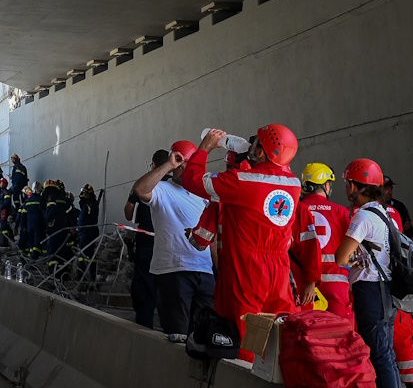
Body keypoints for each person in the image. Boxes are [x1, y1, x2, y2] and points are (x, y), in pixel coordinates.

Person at [182, 125, 301, 358]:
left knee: (243, 332)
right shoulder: (294, 184)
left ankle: (243, 381)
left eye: (255, 142)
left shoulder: (241, 180)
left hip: (246, 267)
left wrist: (205, 147)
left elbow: (192, 180)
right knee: (281, 331)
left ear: (259, 153)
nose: (250, 145)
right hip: (279, 268)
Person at [332, 159, 403, 388]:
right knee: (387, 351)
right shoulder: (386, 214)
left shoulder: (362, 216)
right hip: (387, 289)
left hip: (370, 290)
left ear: (354, 186)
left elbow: (340, 256)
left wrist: (351, 257)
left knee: (378, 353)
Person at [133, 141, 213, 340]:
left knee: (204, 335)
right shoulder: (162, 189)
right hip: (174, 271)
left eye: (187, 165)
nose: (182, 170)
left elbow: (214, 236)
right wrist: (169, 164)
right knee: (178, 335)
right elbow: (140, 190)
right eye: (180, 165)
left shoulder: (204, 195)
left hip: (205, 271)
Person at [294, 163, 351, 323]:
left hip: (303, 285)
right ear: (326, 185)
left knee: (308, 337)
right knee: (340, 335)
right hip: (335, 284)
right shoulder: (340, 211)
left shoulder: (296, 210)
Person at [125, 152, 164, 329]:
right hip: (169, 246)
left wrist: (133, 196)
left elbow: (128, 214)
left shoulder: (143, 186)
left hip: (147, 247)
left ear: (154, 165)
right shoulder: (178, 185)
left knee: (144, 290)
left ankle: (144, 328)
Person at [18, 185, 45, 258]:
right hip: (39, 225)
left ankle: (29, 260)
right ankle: (33, 260)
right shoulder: (41, 200)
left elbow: (23, 215)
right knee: (37, 244)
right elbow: (44, 214)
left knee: (31, 244)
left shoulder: (27, 201)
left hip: (29, 225)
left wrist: (23, 226)